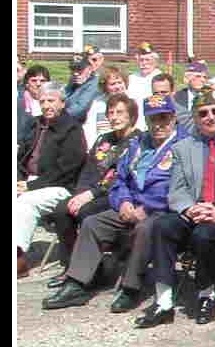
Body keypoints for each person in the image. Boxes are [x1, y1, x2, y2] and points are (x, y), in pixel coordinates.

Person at [42, 94, 186, 314]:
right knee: (92, 223)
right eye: (153, 119)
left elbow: (180, 187)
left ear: (174, 118)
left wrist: (146, 208)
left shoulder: (184, 146)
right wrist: (124, 202)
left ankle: (131, 287)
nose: (158, 125)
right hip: (130, 206)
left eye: (163, 118)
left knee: (145, 228)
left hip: (163, 210)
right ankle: (77, 283)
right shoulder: (139, 143)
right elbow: (120, 179)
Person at [143, 86, 215, 327]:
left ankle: (206, 294)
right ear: (195, 118)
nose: (210, 117)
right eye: (203, 113)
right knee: (162, 225)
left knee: (205, 234)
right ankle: (163, 300)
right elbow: (176, 190)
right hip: (195, 210)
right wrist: (188, 208)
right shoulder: (183, 148)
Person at [47, 92, 146, 277]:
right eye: (111, 113)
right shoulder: (104, 139)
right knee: (62, 210)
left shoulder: (139, 141)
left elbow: (122, 177)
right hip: (90, 192)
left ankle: (94, 268)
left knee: (86, 213)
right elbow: (89, 169)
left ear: (131, 115)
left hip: (116, 195)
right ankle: (72, 266)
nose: (114, 117)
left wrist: (90, 195)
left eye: (120, 112)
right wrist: (80, 193)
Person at [17, 82, 87, 277]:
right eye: (42, 101)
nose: (47, 105)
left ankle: (18, 257)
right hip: (30, 182)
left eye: (51, 100)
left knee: (24, 202)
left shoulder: (72, 129)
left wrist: (30, 186)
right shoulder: (34, 124)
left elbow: (67, 169)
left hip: (60, 187)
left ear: (62, 103)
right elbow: (21, 157)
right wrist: (19, 180)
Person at [81, 67, 130, 150]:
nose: (117, 87)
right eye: (113, 84)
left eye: (120, 82)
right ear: (105, 87)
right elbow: (89, 129)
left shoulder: (132, 101)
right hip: (101, 146)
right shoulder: (98, 104)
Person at [64, 46, 105, 119]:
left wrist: (58, 117)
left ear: (90, 68)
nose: (76, 73)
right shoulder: (73, 81)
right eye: (73, 69)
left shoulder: (95, 83)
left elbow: (80, 108)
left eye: (80, 69)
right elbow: (63, 98)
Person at [17, 64, 50, 147]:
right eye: (34, 80)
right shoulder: (19, 103)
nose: (38, 84)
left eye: (42, 81)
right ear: (27, 83)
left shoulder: (53, 103)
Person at [173, 60, 210, 127]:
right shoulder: (176, 97)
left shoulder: (210, 96)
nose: (202, 80)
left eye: (205, 77)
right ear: (186, 79)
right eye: (198, 76)